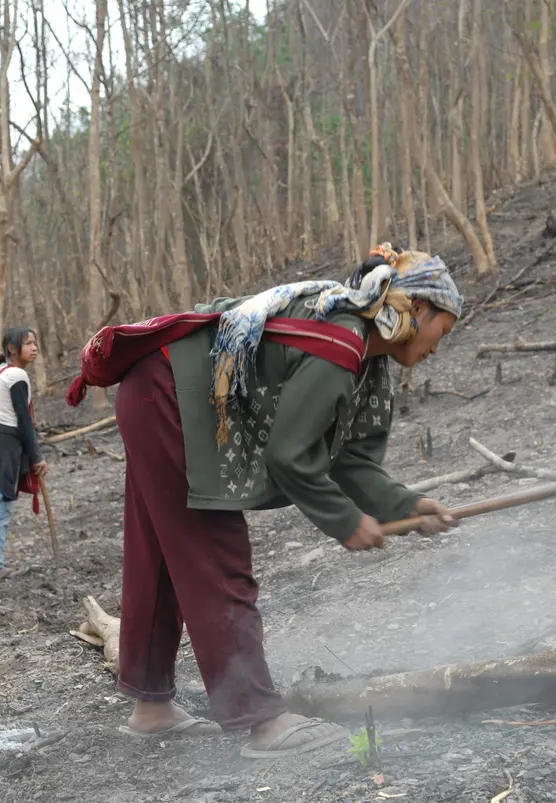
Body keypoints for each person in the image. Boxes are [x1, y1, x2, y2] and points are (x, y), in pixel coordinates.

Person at [65, 243, 462, 759]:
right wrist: (344, 520)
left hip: (154, 391)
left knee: (160, 556)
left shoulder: (368, 360)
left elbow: (350, 459)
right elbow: (288, 456)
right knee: (215, 553)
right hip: (167, 396)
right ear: (419, 309)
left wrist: (406, 506)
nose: (438, 348)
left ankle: (151, 708)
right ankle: (262, 720)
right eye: (442, 332)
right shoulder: (341, 340)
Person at [0, 326, 48, 581]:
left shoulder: (0, 372)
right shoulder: (15, 375)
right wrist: (37, 457)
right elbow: (24, 421)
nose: (34, 348)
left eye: (35, 343)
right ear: (12, 349)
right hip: (3, 447)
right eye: (28, 343)